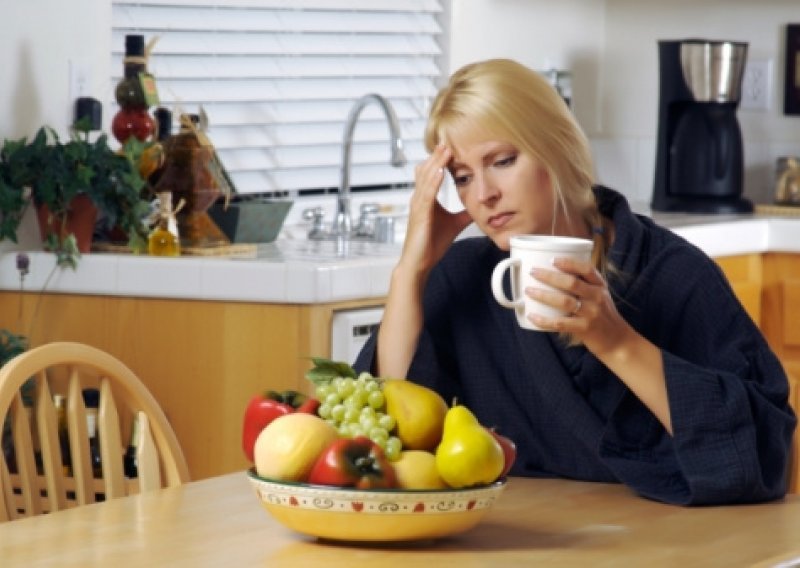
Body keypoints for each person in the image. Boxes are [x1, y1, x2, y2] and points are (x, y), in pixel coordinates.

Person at [353, 58, 796, 506]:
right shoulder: (464, 277)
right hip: (516, 538)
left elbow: (764, 458)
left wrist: (615, 342)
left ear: (557, 148)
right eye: (463, 178)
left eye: (502, 161)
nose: (484, 194)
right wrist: (410, 272)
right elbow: (386, 434)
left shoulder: (674, 274)